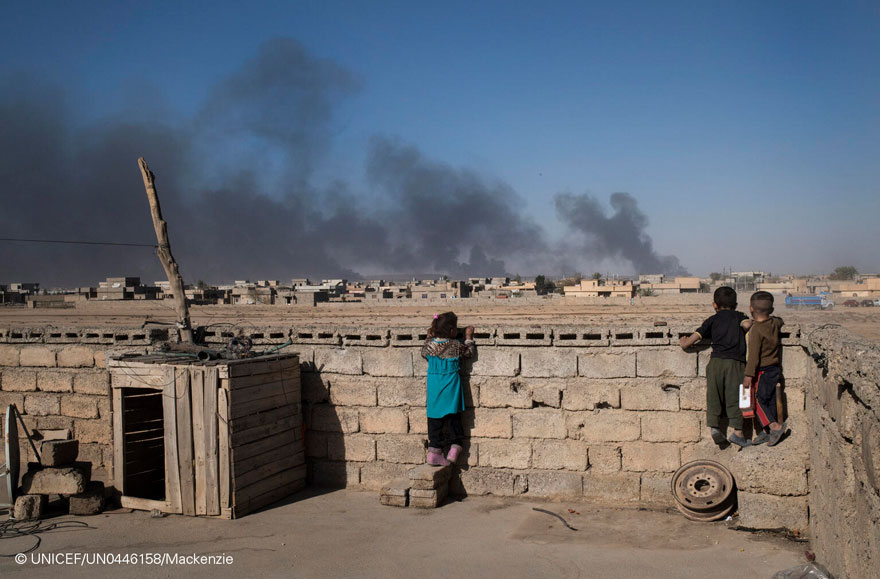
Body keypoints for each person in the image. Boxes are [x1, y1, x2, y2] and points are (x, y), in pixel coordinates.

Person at [680, 287, 751, 447]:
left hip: (716, 363)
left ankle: (714, 427)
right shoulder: (740, 316)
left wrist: (684, 343)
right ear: (736, 304)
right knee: (736, 396)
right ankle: (738, 432)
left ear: (714, 305)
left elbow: (695, 337)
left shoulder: (712, 320)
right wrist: (748, 323)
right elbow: (747, 325)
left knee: (714, 396)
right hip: (735, 363)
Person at [420, 312, 475, 465]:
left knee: (434, 419)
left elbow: (423, 353)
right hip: (451, 388)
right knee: (453, 418)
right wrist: (469, 338)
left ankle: (434, 451)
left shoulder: (429, 347)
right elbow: (469, 353)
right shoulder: (456, 346)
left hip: (434, 388)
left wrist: (429, 337)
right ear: (452, 331)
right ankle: (455, 448)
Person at [744, 291, 787, 446]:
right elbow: (780, 321)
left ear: (751, 309)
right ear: (772, 309)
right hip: (774, 368)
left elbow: (753, 356)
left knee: (757, 400)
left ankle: (774, 427)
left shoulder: (755, 330)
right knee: (769, 400)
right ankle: (766, 432)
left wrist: (748, 375)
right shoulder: (774, 323)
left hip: (762, 370)